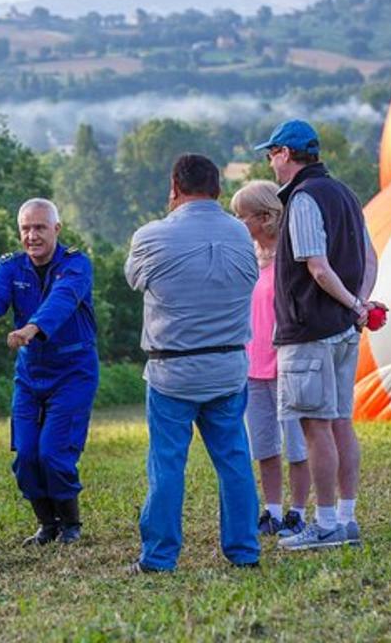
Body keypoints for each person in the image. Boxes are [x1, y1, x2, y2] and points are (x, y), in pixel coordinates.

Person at [124, 154, 260, 574]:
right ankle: (244, 551)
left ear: (173, 187)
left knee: (166, 464)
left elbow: (134, 279)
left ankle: (160, 557)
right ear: (218, 189)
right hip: (228, 367)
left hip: (172, 371)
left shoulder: (151, 236)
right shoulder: (241, 234)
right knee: (235, 461)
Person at [253, 119, 378, 551]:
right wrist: (359, 305)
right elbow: (370, 258)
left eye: (271, 154)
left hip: (310, 331)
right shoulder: (346, 194)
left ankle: (324, 524)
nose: (270, 163)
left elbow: (318, 267)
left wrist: (350, 303)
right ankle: (346, 517)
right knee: (342, 423)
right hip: (344, 332)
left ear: (286, 154)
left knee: (315, 427)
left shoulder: (303, 199)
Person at [0, 198, 99, 547]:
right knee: (26, 454)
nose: (32, 236)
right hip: (30, 375)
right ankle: (47, 524)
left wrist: (32, 329)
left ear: (56, 229)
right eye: (25, 228)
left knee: (53, 453)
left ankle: (70, 523)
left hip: (73, 371)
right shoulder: (11, 266)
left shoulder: (76, 264)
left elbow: (63, 300)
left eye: (40, 227)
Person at [230, 180, 310, 539]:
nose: (237, 223)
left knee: (297, 445)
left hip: (287, 362)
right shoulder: (246, 257)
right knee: (264, 445)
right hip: (253, 364)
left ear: (264, 217)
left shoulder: (292, 257)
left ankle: (298, 511)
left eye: (241, 216)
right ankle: (272, 509)